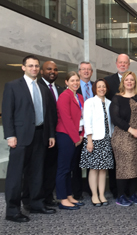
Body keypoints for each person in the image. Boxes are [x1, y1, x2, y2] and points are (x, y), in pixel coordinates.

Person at [2, 55, 56, 222]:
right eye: (30, 66)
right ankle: (12, 211)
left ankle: (35, 203)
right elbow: (7, 112)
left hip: (40, 135)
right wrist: (10, 135)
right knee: (16, 175)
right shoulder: (12, 86)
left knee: (37, 173)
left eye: (36, 66)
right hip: (20, 137)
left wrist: (50, 134)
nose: (34, 68)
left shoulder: (42, 88)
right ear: (23, 67)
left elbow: (48, 115)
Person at [110, 71, 137, 207]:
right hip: (123, 136)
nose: (129, 82)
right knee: (124, 166)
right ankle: (121, 195)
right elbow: (115, 118)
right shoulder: (117, 98)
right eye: (127, 80)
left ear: (135, 83)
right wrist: (132, 130)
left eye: (132, 80)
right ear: (123, 82)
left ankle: (132, 193)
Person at [105, 53, 137, 198]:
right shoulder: (108, 81)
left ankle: (131, 192)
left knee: (134, 162)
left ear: (129, 64)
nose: (123, 64)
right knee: (118, 163)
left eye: (125, 63)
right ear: (116, 64)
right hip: (117, 129)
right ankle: (117, 192)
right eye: (120, 62)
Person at [80, 79, 114, 207]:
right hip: (93, 140)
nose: (101, 89)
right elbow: (87, 122)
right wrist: (89, 140)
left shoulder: (110, 103)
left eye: (103, 87)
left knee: (103, 169)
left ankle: (102, 194)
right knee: (94, 169)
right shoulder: (90, 102)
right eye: (99, 87)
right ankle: (94, 195)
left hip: (106, 139)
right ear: (95, 88)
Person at [55, 71, 85, 210]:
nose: (75, 83)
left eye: (77, 80)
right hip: (66, 135)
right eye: (72, 80)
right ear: (66, 82)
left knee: (71, 168)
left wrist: (81, 135)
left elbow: (82, 118)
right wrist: (75, 137)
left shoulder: (79, 96)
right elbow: (66, 119)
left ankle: (69, 196)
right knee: (63, 169)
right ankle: (62, 199)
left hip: (77, 135)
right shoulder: (64, 96)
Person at [38, 61, 64, 207]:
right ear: (42, 71)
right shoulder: (38, 87)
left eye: (55, 69)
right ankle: (36, 199)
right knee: (38, 169)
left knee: (51, 168)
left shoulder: (60, 89)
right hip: (41, 136)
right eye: (49, 69)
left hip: (56, 135)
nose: (52, 71)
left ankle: (48, 197)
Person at [73, 61, 94, 200]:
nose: (86, 71)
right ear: (79, 71)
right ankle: (77, 191)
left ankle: (91, 188)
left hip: (94, 131)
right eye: (83, 69)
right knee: (76, 163)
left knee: (92, 161)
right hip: (78, 131)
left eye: (89, 69)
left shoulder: (96, 87)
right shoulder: (73, 87)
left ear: (91, 72)